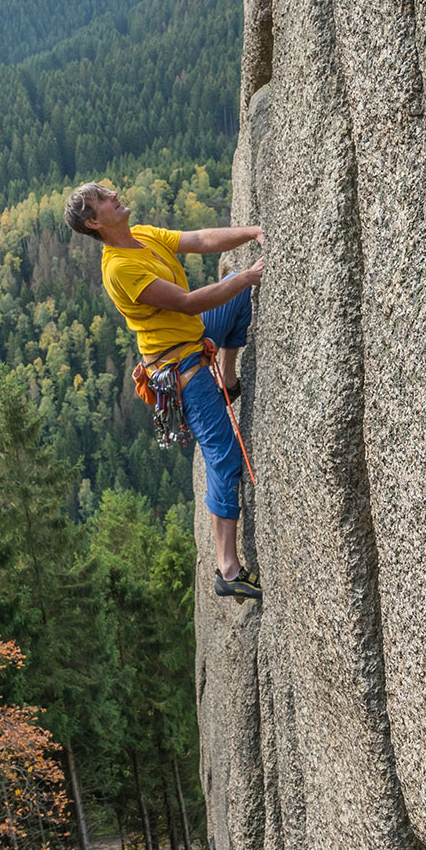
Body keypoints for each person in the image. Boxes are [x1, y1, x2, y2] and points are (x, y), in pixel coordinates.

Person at [63, 182, 264, 601]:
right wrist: (250, 273)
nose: (114, 195)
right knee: (223, 457)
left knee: (236, 294)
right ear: (95, 221)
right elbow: (188, 302)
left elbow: (199, 239)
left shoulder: (144, 237)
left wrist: (252, 231)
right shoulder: (120, 267)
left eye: (108, 191)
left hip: (194, 342)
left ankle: (228, 379)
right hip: (181, 370)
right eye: (104, 198)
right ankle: (227, 569)